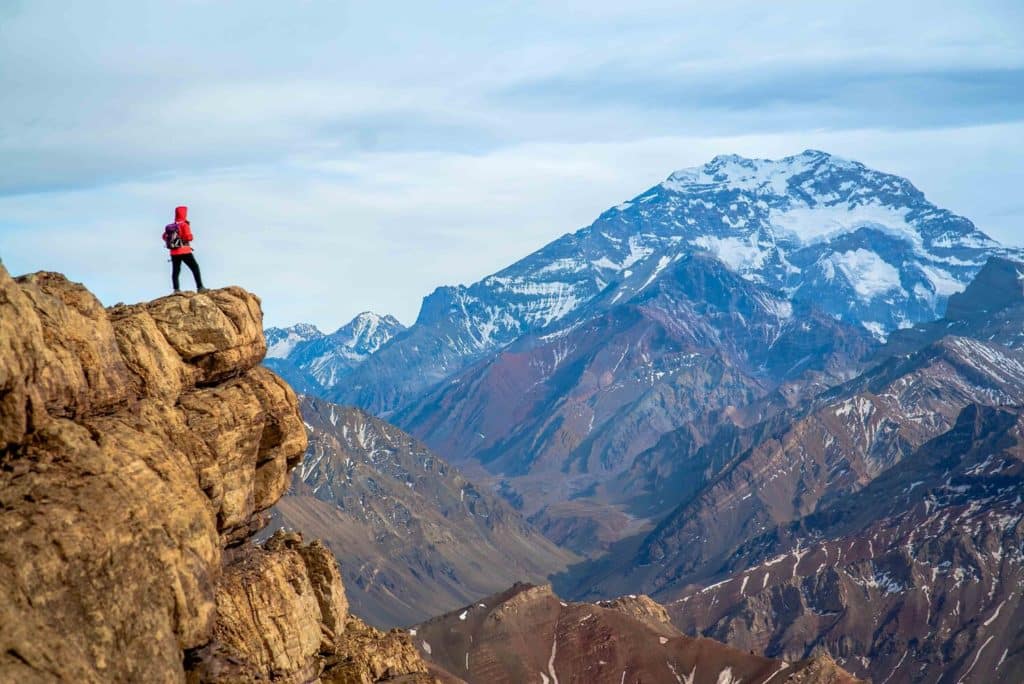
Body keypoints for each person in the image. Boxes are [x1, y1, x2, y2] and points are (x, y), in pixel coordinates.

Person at [162, 205, 207, 293]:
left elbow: (164, 236)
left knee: (176, 271)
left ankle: (176, 289)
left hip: (174, 252)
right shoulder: (184, 224)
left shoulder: (172, 226)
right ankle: (200, 287)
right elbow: (189, 237)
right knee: (195, 267)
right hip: (185, 250)